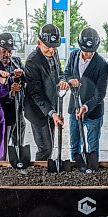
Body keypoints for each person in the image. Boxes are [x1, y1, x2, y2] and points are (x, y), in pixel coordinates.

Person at [60, 27, 108, 161]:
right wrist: (69, 80)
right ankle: (76, 169)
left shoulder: (102, 65)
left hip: (93, 112)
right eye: (86, 51)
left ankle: (92, 169)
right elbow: (66, 73)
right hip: (74, 108)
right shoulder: (73, 55)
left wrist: (86, 107)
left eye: (92, 51)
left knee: (92, 146)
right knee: (74, 145)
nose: (88, 54)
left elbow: (100, 93)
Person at [24, 24, 69, 161]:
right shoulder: (32, 62)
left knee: (51, 144)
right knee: (45, 148)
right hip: (38, 110)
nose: (51, 51)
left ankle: (47, 171)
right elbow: (35, 92)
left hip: (52, 105)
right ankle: (39, 176)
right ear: (39, 43)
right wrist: (52, 112)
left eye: (54, 47)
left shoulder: (54, 55)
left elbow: (60, 73)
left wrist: (62, 80)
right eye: (48, 47)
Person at [0, 33, 26, 160]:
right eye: (4, 51)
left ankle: (18, 165)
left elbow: (26, 79)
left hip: (19, 111)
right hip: (4, 115)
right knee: (3, 148)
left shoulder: (16, 62)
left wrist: (21, 75)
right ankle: (2, 170)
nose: (7, 55)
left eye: (10, 51)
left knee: (19, 145)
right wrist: (10, 92)